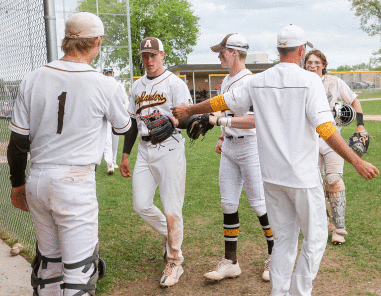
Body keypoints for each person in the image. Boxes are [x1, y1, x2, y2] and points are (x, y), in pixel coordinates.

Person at [171, 24, 379, 295]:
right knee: (315, 239)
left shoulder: (258, 80)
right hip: (302, 177)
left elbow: (222, 101)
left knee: (283, 241)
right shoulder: (310, 80)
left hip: (271, 175)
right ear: (302, 50)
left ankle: (279, 292)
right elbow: (326, 129)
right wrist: (357, 161)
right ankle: (299, 291)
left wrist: (189, 108)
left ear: (279, 50)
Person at [7, 12, 131, 296]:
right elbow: (124, 127)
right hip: (75, 181)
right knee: (79, 274)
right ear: (96, 42)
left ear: (66, 41)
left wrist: (17, 183)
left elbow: (17, 142)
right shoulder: (105, 83)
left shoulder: (33, 77)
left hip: (38, 178)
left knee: (49, 266)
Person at [119, 37, 192, 287]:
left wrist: (172, 122)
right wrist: (126, 155)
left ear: (162, 55)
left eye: (153, 55)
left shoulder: (174, 83)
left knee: (172, 208)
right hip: (144, 149)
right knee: (141, 204)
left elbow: (189, 118)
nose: (149, 60)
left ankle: (174, 261)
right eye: (145, 55)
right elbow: (130, 123)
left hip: (170, 148)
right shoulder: (137, 86)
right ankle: (173, 236)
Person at [202, 33, 274, 282]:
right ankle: (231, 261)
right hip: (231, 147)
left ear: (235, 52)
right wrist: (223, 135)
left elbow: (255, 120)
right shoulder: (226, 82)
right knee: (228, 204)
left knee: (259, 204)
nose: (219, 55)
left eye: (222, 51)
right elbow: (230, 114)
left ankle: (275, 256)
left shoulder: (252, 82)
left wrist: (221, 121)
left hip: (251, 146)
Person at [304, 49, 369, 245]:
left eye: (316, 62)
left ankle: (339, 227)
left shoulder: (334, 82)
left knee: (333, 180)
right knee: (313, 184)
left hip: (333, 139)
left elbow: (354, 100)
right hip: (308, 140)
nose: (313, 65)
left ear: (323, 64)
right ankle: (322, 224)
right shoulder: (302, 83)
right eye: (309, 62)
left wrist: (360, 124)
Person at [102, 65, 129, 174]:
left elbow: (125, 99)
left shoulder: (119, 85)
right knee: (107, 140)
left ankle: (114, 160)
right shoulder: (101, 85)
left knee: (115, 139)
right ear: (103, 74)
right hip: (105, 116)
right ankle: (110, 164)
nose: (108, 75)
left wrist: (124, 110)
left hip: (116, 115)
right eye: (106, 73)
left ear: (113, 73)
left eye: (110, 73)